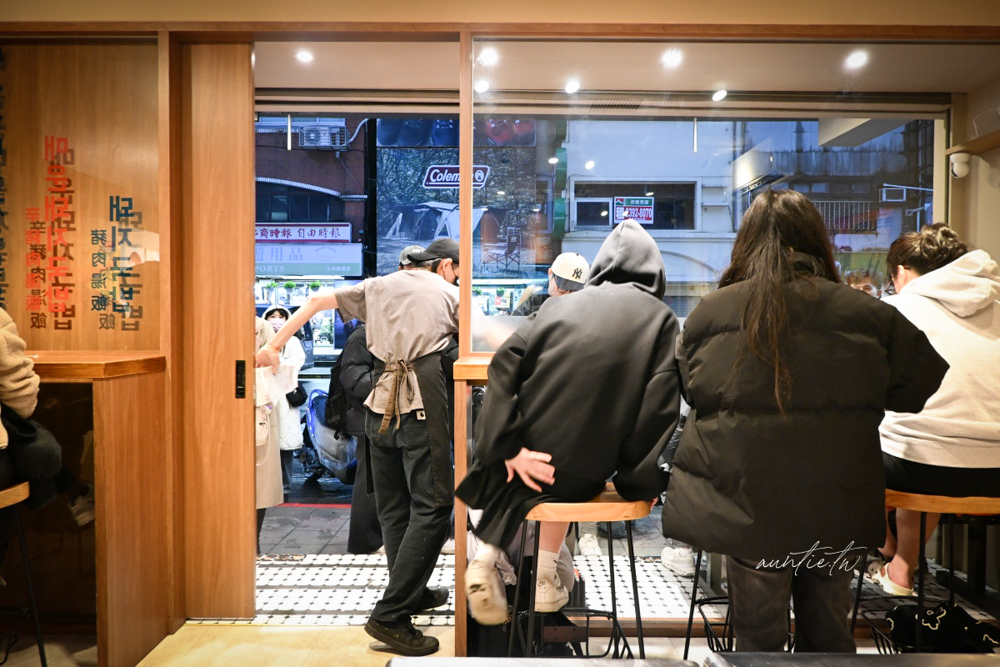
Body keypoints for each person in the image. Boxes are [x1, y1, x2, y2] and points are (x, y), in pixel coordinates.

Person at [660, 189, 949, 653]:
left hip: (748, 505)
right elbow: (919, 386)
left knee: (757, 641)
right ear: (818, 241)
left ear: (746, 243)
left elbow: (694, 392)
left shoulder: (711, 313)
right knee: (830, 635)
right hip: (837, 500)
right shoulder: (870, 315)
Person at [456, 219, 682, 625]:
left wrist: (507, 446)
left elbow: (504, 363)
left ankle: (487, 556)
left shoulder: (557, 306)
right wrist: (639, 483)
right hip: (580, 468)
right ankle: (545, 578)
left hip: (524, 457)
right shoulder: (660, 321)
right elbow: (655, 411)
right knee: (571, 472)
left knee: (526, 472)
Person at [256, 237, 460, 657]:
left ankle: (411, 590)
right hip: (421, 402)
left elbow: (316, 301)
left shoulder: (377, 286)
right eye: (457, 271)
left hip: (379, 406)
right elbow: (485, 341)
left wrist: (273, 346)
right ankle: (391, 615)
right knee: (435, 505)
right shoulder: (447, 293)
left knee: (393, 507)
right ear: (444, 266)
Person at [871, 224, 1000, 596]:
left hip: (920, 469)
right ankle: (901, 566)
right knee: (926, 439)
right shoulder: (995, 305)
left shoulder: (895, 310)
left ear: (901, 272)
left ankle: (887, 548)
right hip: (994, 473)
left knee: (873, 448)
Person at [339, 319, 382, 554]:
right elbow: (354, 381)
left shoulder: (380, 332)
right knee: (369, 482)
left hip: (378, 417)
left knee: (377, 480)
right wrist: (390, 377)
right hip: (368, 419)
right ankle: (365, 542)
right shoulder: (362, 335)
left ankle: (376, 539)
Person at [262, 306, 306, 500]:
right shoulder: (260, 339)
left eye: (281, 317)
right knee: (264, 444)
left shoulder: (292, 341)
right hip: (265, 398)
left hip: (284, 399)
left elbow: (296, 364)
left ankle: (285, 488)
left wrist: (273, 363)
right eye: (272, 316)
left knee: (284, 446)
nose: (277, 320)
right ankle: (265, 487)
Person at [254, 316, 284, 554]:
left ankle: (252, 542)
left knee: (258, 484)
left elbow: (274, 372)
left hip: (258, 411)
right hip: (223, 413)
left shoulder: (260, 327)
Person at [511, 251, 589, 316]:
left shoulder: (586, 308)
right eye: (563, 287)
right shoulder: (534, 303)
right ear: (550, 273)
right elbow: (513, 324)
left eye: (575, 290)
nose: (567, 295)